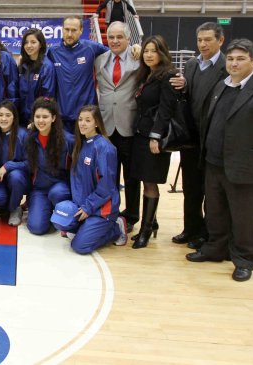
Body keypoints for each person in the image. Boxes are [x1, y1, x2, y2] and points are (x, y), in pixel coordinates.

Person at [186, 39, 253, 282]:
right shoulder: (221, 86)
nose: (234, 63)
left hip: (243, 166)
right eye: (231, 58)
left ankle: (245, 258)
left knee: (244, 216)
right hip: (214, 162)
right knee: (215, 211)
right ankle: (216, 248)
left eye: (241, 59)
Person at [169, 22, 227, 250]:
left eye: (208, 40)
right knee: (191, 188)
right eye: (199, 40)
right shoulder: (192, 64)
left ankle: (208, 234)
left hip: (213, 139)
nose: (202, 44)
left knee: (211, 192)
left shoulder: (226, 66)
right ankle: (191, 228)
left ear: (220, 41)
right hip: (191, 138)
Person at [54, 105, 127, 254]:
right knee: (59, 221)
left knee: (79, 246)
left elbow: (106, 185)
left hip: (100, 209)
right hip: (84, 205)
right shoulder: (80, 145)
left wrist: (89, 207)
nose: (82, 123)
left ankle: (116, 228)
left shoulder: (105, 148)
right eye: (80, 120)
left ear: (96, 123)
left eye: (88, 120)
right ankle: (84, 227)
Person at [129, 35, 179, 249]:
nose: (149, 55)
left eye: (154, 51)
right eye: (146, 51)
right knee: (142, 179)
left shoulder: (168, 76)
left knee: (150, 183)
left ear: (162, 52)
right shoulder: (146, 74)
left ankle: (145, 231)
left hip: (154, 138)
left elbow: (166, 110)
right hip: (139, 135)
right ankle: (152, 221)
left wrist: (155, 137)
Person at [94, 21, 140, 233]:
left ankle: (131, 216)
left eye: (119, 37)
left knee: (131, 175)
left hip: (128, 124)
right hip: (105, 126)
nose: (114, 41)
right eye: (111, 37)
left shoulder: (138, 59)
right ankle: (111, 211)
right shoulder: (99, 60)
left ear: (129, 39)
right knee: (108, 174)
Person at [46, 16, 109, 134]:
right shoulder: (52, 51)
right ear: (62, 29)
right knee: (65, 151)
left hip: (87, 115)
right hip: (62, 116)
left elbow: (115, 52)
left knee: (86, 150)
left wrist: (133, 49)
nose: (69, 34)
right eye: (67, 29)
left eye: (74, 30)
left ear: (81, 31)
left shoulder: (91, 47)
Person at [25, 97, 73, 235]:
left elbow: (75, 171)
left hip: (60, 188)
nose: (41, 120)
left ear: (53, 118)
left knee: (56, 193)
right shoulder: (30, 139)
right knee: (36, 228)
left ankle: (61, 209)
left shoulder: (68, 140)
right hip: (40, 189)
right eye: (37, 117)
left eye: (45, 117)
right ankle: (46, 211)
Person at [0, 100, 29, 226]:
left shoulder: (23, 135)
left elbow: (30, 164)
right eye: (1, 115)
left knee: (15, 176)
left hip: (18, 179)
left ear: (14, 117)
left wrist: (8, 166)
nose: (3, 119)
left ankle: (15, 208)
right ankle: (4, 203)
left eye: (8, 115)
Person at [18, 28, 56, 125]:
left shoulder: (47, 66)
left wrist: (37, 119)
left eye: (33, 42)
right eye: (26, 42)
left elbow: (47, 96)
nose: (29, 45)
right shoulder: (22, 64)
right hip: (22, 117)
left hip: (38, 120)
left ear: (40, 45)